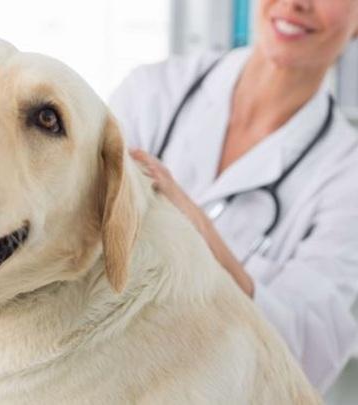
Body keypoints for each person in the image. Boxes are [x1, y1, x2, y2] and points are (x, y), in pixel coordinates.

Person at [109, 0, 358, 394]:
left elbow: (304, 349)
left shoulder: (347, 175)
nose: (297, 4)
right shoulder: (152, 91)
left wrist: (197, 233)